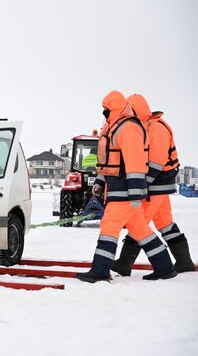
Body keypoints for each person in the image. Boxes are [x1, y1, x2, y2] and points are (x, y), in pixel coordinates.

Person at [76, 90, 176, 283]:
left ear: (114, 108)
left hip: (124, 191)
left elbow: (135, 164)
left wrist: (136, 195)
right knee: (140, 229)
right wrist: (99, 182)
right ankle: (164, 267)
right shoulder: (114, 127)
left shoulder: (128, 129)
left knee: (109, 226)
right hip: (116, 188)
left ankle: (100, 270)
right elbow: (109, 161)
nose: (104, 113)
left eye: (106, 109)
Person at [111, 94, 195, 275]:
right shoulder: (146, 127)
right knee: (165, 223)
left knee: (139, 221)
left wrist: (141, 186)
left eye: (129, 110)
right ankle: (184, 261)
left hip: (156, 186)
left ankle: (125, 263)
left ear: (136, 110)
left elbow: (155, 163)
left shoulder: (156, 128)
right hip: (159, 186)